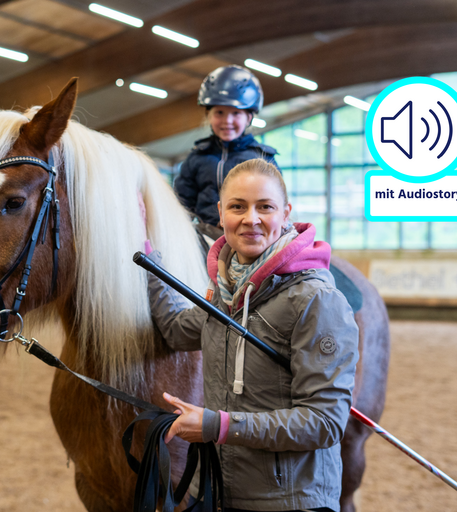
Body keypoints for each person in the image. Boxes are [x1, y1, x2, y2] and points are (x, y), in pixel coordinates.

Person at [144, 159, 359, 512]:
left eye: (265, 207)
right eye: (238, 207)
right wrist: (151, 257)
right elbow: (175, 330)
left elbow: (324, 421)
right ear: (221, 212)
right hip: (215, 490)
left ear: (286, 212)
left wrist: (218, 425)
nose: (251, 219)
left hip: (287, 500)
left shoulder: (317, 300)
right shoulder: (225, 292)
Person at [174, 65, 280, 227]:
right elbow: (181, 204)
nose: (227, 121)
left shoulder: (263, 158)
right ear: (208, 115)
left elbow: (274, 205)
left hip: (249, 234)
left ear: (249, 117)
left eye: (236, 113)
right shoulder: (197, 157)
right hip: (205, 237)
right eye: (219, 113)